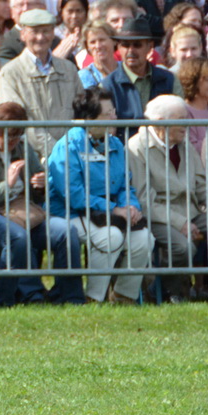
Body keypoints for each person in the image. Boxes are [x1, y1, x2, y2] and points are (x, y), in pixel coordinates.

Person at [0, 102, 84, 306]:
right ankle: (6, 300)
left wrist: (39, 186)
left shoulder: (22, 146)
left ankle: (70, 298)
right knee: (17, 237)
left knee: (66, 232)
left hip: (20, 212)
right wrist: (7, 184)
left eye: (16, 136)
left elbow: (39, 194)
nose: (11, 141)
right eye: (7, 136)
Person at [46, 87, 151, 303]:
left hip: (107, 214)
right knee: (110, 237)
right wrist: (114, 209)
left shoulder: (115, 144)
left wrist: (130, 208)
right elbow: (73, 195)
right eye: (108, 114)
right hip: (67, 214)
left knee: (144, 238)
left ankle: (123, 297)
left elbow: (124, 185)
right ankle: (94, 298)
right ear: (88, 119)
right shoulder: (68, 146)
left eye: (114, 111)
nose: (115, 117)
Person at [127, 95, 208, 303]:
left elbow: (203, 185)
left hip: (191, 210)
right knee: (183, 247)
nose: (187, 123)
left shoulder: (183, 143)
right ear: (160, 124)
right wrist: (180, 222)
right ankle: (169, 290)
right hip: (158, 216)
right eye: (181, 119)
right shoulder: (136, 148)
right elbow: (144, 200)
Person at [0, 9, 81, 157]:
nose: (40, 37)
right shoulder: (11, 72)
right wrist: (54, 151)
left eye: (46, 31)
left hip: (71, 154)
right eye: (35, 31)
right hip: (30, 158)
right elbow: (17, 118)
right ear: (23, 35)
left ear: (53, 33)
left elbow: (80, 111)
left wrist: (70, 150)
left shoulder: (69, 69)